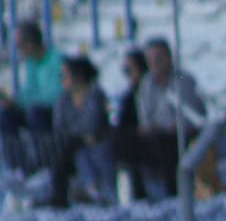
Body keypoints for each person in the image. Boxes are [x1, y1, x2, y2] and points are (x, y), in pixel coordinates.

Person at [115, 39, 206, 201]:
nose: (155, 63)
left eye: (159, 58)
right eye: (150, 59)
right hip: (155, 137)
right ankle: (137, 196)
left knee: (163, 144)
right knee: (123, 143)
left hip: (181, 137)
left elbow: (191, 121)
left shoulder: (182, 80)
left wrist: (161, 128)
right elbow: (145, 120)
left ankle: (175, 195)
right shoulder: (146, 83)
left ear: (169, 57)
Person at [0, 20, 63, 175]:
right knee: (4, 115)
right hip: (35, 108)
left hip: (55, 111)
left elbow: (54, 95)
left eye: (19, 45)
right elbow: (28, 91)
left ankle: (45, 164)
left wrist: (21, 101)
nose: (18, 50)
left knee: (35, 113)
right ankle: (18, 166)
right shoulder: (31, 63)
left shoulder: (56, 60)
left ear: (30, 43)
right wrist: (10, 100)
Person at [44, 54, 114, 209]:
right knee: (70, 148)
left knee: (82, 148)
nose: (61, 79)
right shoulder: (63, 99)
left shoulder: (95, 95)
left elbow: (94, 124)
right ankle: (73, 190)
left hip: (98, 142)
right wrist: (80, 135)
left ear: (78, 76)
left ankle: (94, 190)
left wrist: (78, 134)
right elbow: (59, 127)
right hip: (75, 143)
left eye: (65, 75)